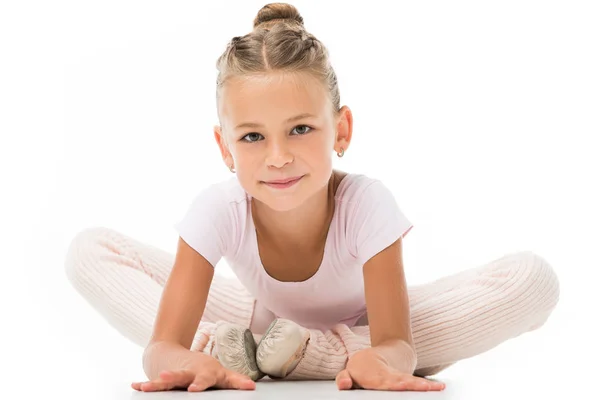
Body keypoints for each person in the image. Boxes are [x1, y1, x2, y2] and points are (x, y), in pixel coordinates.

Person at [64, 2, 560, 393]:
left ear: (340, 130)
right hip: (251, 316)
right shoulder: (219, 210)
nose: (277, 157)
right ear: (224, 147)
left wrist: (383, 358)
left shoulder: (366, 205)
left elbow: (396, 343)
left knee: (532, 279)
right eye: (253, 137)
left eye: (300, 129)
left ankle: (297, 354)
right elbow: (160, 348)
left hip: (363, 328)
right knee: (90, 250)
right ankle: (230, 347)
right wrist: (179, 358)